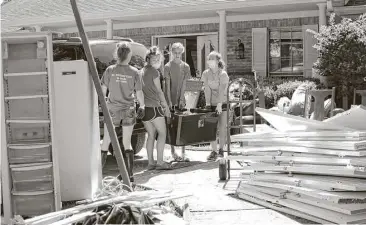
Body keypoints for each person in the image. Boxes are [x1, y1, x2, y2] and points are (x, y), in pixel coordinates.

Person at [100, 41, 145, 182]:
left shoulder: (110, 70)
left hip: (112, 109)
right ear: (129, 55)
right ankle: (129, 176)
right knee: (127, 142)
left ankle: (97, 175)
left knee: (106, 141)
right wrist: (142, 106)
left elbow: (102, 91)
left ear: (117, 55)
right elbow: (139, 93)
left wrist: (103, 106)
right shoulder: (135, 72)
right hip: (129, 110)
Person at [141, 46, 172, 170]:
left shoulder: (140, 71)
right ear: (150, 59)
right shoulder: (154, 72)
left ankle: (151, 163)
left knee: (151, 135)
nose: (158, 61)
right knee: (162, 133)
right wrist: (166, 108)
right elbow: (159, 91)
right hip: (154, 107)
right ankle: (160, 162)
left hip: (144, 109)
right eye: (157, 58)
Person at [164, 42, 191, 162]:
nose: (177, 55)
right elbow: (167, 84)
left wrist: (182, 98)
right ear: (171, 53)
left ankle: (184, 152)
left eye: (179, 53)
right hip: (170, 98)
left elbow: (186, 83)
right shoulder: (167, 66)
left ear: (182, 53)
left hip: (182, 99)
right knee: (171, 126)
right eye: (175, 53)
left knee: (183, 125)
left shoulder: (185, 66)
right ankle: (173, 152)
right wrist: (169, 101)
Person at [201, 51, 230, 161]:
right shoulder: (205, 73)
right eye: (209, 59)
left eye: (212, 59)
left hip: (222, 102)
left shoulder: (223, 74)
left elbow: (222, 90)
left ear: (218, 61)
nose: (210, 61)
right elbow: (207, 89)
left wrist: (219, 104)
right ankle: (213, 151)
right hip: (211, 103)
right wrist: (208, 104)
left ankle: (221, 149)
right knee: (211, 128)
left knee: (222, 127)